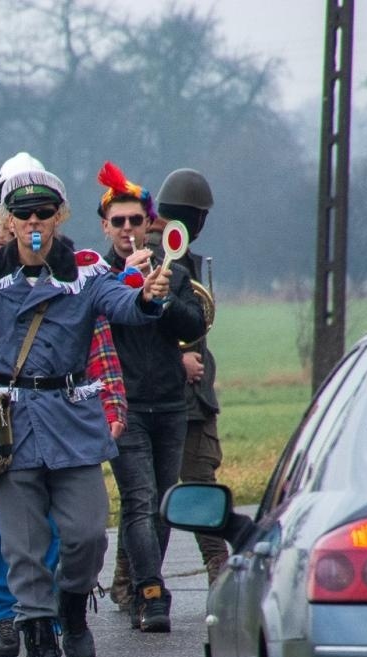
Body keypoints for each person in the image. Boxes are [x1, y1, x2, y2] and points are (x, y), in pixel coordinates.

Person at [0, 164, 169, 657]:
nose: (33, 222)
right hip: (14, 420)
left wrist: (147, 295)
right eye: (22, 214)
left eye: (44, 212)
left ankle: (71, 604)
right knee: (21, 544)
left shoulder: (87, 271)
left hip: (72, 417)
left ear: (60, 216)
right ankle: (39, 633)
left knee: (87, 535)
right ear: (8, 219)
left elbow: (121, 304)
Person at [96, 162, 207, 634]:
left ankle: (146, 583)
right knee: (138, 499)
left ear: (149, 224)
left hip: (169, 403)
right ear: (106, 227)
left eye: (134, 221)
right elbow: (99, 326)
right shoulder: (97, 275)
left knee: (163, 502)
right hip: (125, 407)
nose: (126, 229)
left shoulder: (174, 271)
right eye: (117, 222)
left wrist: (160, 295)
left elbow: (193, 325)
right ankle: (150, 589)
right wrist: (131, 286)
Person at [157, 168, 230, 583]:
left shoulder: (178, 254)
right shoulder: (162, 256)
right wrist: (177, 360)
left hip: (191, 396)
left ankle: (132, 579)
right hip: (171, 392)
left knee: (177, 487)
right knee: (189, 487)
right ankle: (215, 569)